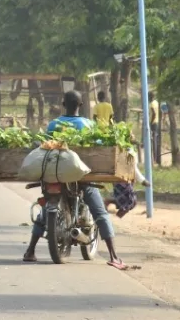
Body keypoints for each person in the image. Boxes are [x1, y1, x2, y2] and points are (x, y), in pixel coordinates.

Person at [23, 91, 127, 269]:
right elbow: (98, 145)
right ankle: (114, 256)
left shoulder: (54, 124)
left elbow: (46, 145)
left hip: (55, 175)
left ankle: (30, 250)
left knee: (45, 207)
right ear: (80, 105)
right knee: (100, 213)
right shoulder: (87, 124)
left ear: (63, 104)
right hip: (81, 178)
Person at [149, 92, 162, 166]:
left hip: (153, 123)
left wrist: (150, 123)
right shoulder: (156, 102)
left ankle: (154, 159)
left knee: (153, 141)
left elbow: (154, 113)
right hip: (156, 122)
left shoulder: (152, 104)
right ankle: (155, 159)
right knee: (155, 141)